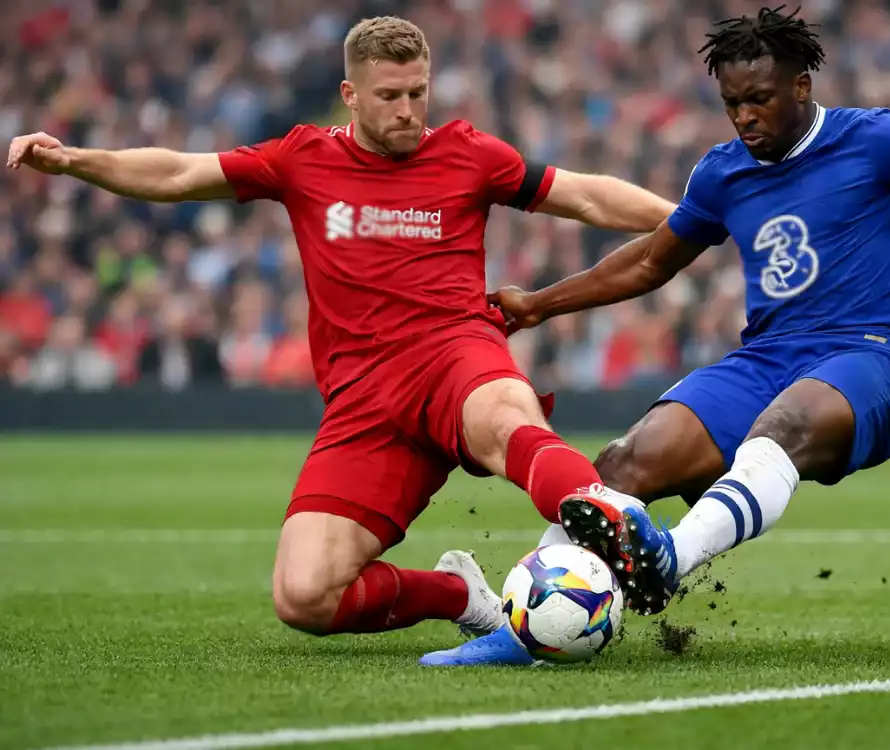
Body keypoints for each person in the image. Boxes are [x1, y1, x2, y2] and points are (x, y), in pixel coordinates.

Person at [427, 5, 890, 666]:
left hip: (874, 355)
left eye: (758, 100)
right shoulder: (721, 174)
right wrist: (540, 304)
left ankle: (669, 559)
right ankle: (527, 628)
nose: (745, 117)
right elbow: (652, 261)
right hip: (769, 356)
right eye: (731, 105)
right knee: (625, 463)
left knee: (778, 428)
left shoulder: (876, 139)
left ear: (801, 89)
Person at [7, 16, 670, 643]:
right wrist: (74, 161)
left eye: (418, 92)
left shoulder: (469, 154)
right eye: (390, 96)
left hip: (456, 358)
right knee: (304, 597)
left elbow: (585, 194)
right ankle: (461, 595)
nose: (409, 110)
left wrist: (690, 217)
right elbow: (180, 173)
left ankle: (607, 514)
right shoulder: (302, 158)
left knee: (505, 417)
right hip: (364, 402)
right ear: (350, 95)